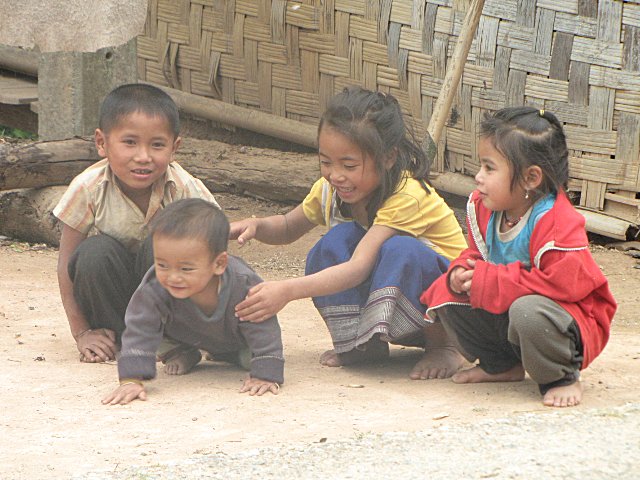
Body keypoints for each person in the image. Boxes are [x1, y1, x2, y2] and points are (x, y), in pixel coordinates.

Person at [231, 86, 467, 379]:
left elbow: (357, 269)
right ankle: (363, 344)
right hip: (402, 317)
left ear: (388, 157)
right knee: (333, 243)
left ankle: (445, 347)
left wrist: (287, 290)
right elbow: (289, 226)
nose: (335, 174)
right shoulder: (331, 190)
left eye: (349, 165)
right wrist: (257, 225)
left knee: (401, 250)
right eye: (326, 162)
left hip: (455, 313)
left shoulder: (408, 195)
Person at [421, 106, 617, 407]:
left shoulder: (557, 222)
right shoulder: (485, 209)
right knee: (448, 290)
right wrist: (463, 272)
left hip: (569, 320)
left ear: (530, 178)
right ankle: (502, 365)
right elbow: (476, 254)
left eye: (489, 168)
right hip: (512, 309)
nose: (478, 177)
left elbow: (564, 287)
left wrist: (490, 279)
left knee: (528, 312)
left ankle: (562, 376)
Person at [53, 83, 219, 364]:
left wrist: (216, 328)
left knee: (164, 245)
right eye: (129, 142)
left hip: (171, 302)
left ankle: (174, 341)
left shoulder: (184, 189)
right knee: (93, 253)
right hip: (114, 299)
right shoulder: (88, 187)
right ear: (101, 143)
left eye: (157, 145)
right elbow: (66, 263)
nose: (143, 157)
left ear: (174, 147)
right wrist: (81, 332)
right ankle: (119, 339)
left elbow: (217, 254)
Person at [102, 198, 284, 405]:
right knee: (150, 336)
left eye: (186, 269)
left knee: (249, 359)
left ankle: (228, 355)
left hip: (235, 338)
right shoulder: (155, 285)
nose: (172, 277)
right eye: (162, 265)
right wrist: (131, 379)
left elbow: (263, 324)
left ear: (219, 263)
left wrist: (266, 374)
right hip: (182, 336)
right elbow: (140, 324)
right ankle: (184, 353)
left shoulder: (242, 284)